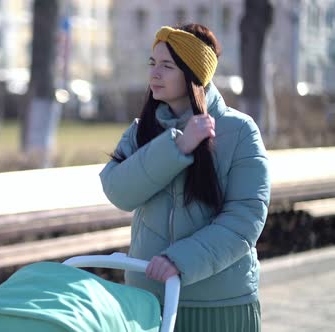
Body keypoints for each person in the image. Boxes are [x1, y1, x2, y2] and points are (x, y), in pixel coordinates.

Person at [99, 23, 270, 332]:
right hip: (148, 303)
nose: (155, 74)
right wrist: (176, 147)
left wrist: (180, 261)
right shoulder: (141, 131)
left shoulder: (241, 131)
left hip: (219, 307)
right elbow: (119, 193)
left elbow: (245, 220)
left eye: (167, 66)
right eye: (152, 64)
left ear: (193, 73)